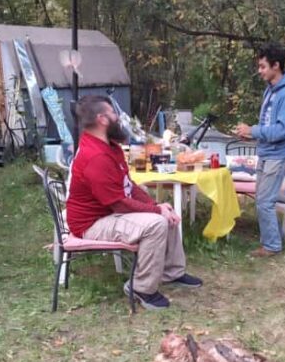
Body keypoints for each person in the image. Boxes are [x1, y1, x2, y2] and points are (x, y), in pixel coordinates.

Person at [65, 95, 202, 310]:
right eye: (114, 114)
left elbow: (129, 185)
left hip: (108, 212)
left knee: (165, 213)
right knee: (156, 223)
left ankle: (172, 272)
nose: (118, 119)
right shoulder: (96, 157)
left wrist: (158, 206)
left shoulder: (110, 146)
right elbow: (119, 204)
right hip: (91, 224)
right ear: (102, 119)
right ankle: (141, 288)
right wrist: (156, 211)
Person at [233, 43, 285, 258]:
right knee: (262, 199)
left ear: (276, 66)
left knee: (264, 201)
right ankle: (271, 240)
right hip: (267, 152)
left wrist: (253, 131)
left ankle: (272, 246)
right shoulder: (270, 90)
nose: (260, 71)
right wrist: (251, 134)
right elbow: (269, 124)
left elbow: (283, 130)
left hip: (280, 154)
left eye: (263, 66)